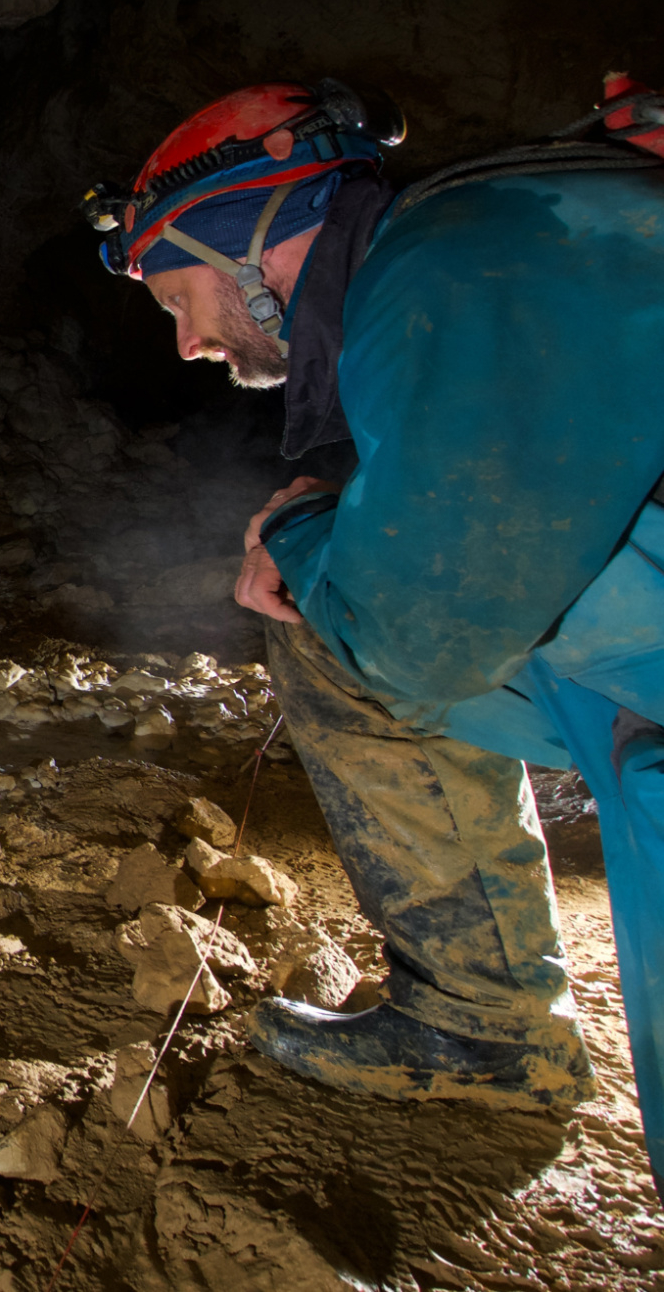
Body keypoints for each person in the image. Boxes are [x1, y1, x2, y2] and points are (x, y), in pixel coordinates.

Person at [83, 79, 664, 1190]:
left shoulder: (453, 263)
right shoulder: (460, 245)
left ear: (246, 239)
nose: (188, 344)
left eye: (177, 300)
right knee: (326, 630)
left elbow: (419, 637)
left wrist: (299, 534)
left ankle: (487, 1021)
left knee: (348, 626)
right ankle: (480, 1022)